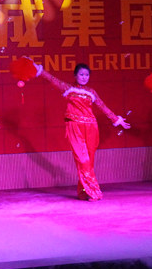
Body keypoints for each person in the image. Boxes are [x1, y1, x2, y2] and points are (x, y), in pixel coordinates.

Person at [32, 61, 131, 201]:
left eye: (87, 75)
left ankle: (83, 191)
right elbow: (52, 79)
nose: (84, 77)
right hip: (75, 127)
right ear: (75, 75)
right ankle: (93, 191)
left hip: (91, 128)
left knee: (89, 161)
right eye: (81, 74)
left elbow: (102, 106)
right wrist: (39, 70)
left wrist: (116, 119)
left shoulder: (91, 92)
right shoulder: (69, 88)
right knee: (83, 160)